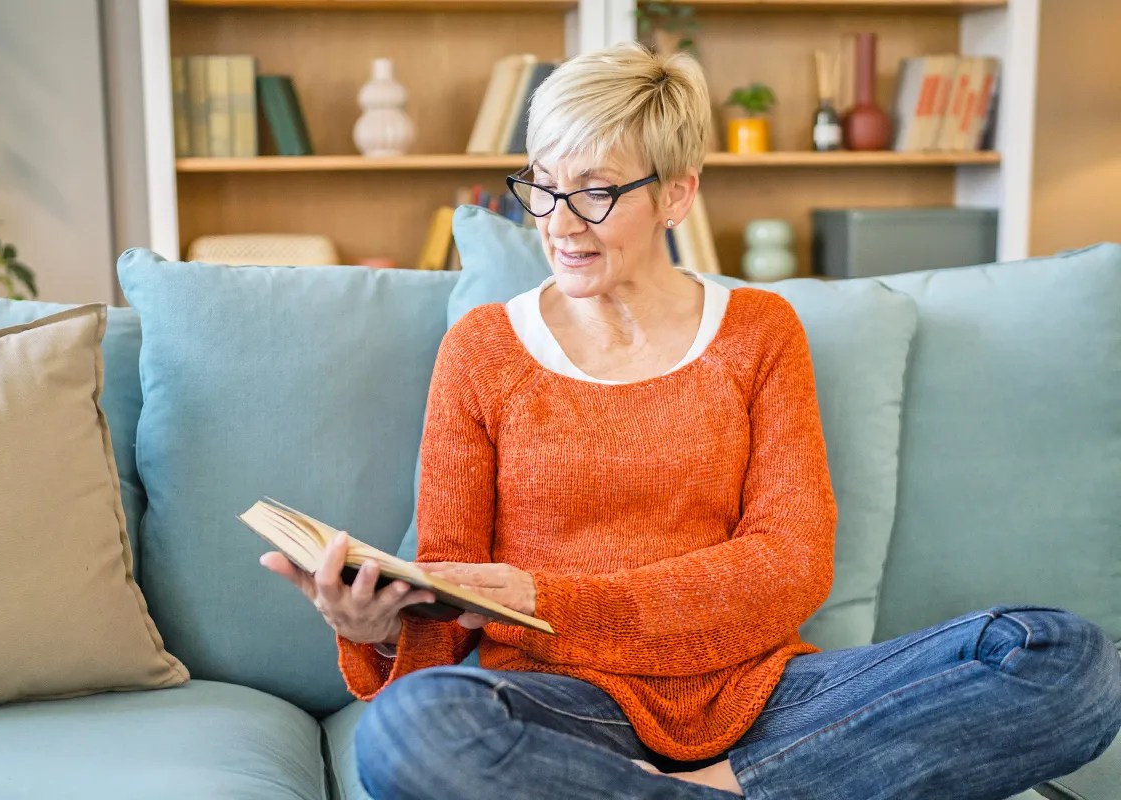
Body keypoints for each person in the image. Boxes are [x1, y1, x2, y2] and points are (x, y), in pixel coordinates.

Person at [262, 42, 1121, 799]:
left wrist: (551, 597)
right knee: (410, 731)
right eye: (544, 186)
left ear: (677, 196)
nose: (559, 224)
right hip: (565, 706)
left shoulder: (758, 333)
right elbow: (451, 593)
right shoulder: (484, 349)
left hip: (762, 695)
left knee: (1066, 658)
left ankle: (721, 788)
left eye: (595, 193)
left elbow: (790, 565)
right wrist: (373, 631)